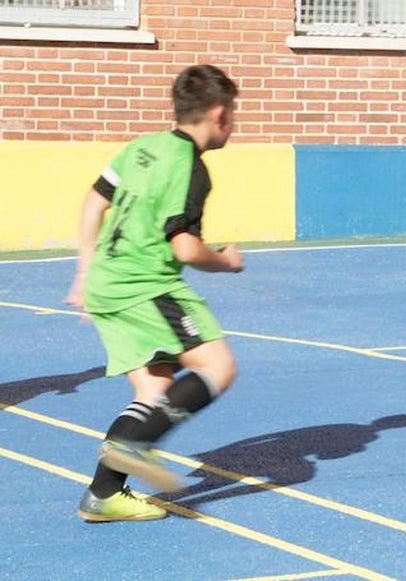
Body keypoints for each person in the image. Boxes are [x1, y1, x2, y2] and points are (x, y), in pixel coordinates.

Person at [65, 64, 244, 521]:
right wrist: (224, 260)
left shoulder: (141, 147)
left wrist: (85, 270)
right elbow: (183, 246)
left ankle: (103, 495)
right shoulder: (191, 168)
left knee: (154, 390)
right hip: (143, 284)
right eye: (235, 114)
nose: (235, 124)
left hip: (106, 282)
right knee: (217, 366)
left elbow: (94, 201)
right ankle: (136, 446)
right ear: (219, 114)